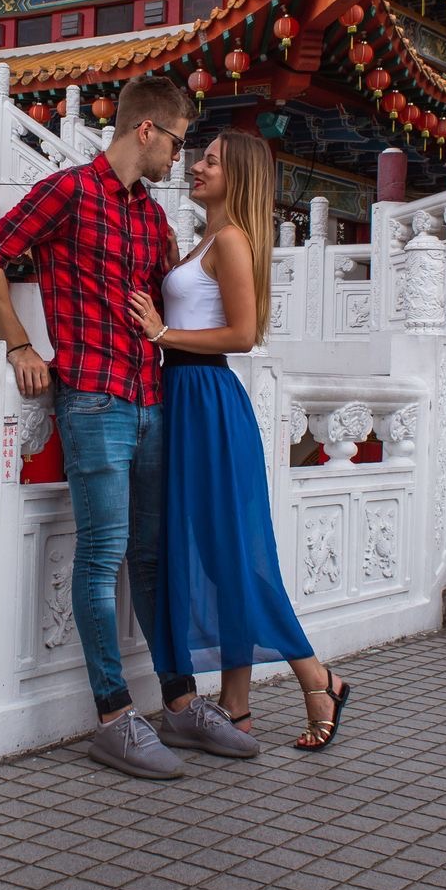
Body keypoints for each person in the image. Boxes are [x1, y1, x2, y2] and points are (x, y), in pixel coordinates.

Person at [0, 75, 258, 779]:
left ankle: (179, 703)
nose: (180, 158)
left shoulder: (153, 217)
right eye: (177, 142)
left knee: (154, 557)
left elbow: (184, 300)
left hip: (153, 398)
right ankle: (113, 716)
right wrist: (19, 343)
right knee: (103, 555)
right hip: (93, 399)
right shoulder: (68, 191)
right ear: (147, 130)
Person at [128, 129, 350, 751]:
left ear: (239, 178)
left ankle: (318, 678)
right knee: (217, 550)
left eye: (212, 162)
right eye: (200, 157)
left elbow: (243, 334)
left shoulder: (230, 240)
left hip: (206, 396)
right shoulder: (207, 237)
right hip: (184, 395)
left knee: (232, 552)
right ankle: (237, 705)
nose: (196, 167)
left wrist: (162, 334)